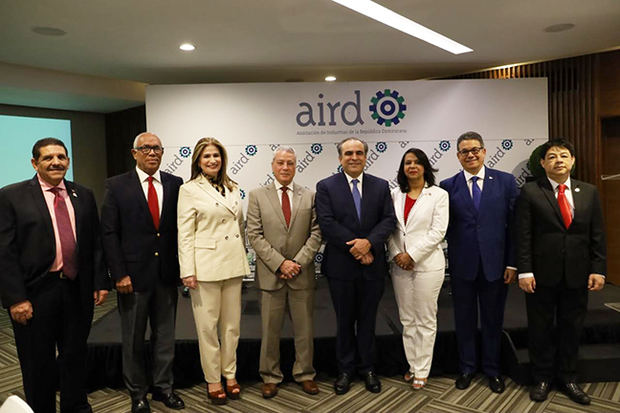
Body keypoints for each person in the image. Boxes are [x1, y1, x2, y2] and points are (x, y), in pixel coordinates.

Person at [0, 138, 109, 413]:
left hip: (76, 290)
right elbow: (5, 252)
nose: (56, 162)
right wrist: (15, 298)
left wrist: (99, 282)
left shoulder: (83, 194)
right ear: (34, 163)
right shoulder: (11, 196)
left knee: (74, 356)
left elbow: (94, 243)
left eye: (61, 157)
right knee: (38, 363)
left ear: (68, 161)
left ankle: (76, 408)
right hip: (35, 294)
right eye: (48, 158)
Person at [516, 138, 606, 405]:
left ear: (572, 161)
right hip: (541, 275)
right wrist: (524, 271)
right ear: (542, 163)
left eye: (564, 155)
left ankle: (568, 378)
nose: (558, 160)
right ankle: (542, 378)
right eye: (552, 156)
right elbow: (523, 236)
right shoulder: (531, 192)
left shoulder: (589, 192)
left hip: (578, 275)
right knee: (540, 328)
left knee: (571, 328)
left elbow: (598, 235)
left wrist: (598, 269)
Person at [101, 132, 185, 413]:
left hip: (165, 275)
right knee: (133, 339)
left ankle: (163, 388)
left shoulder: (175, 184)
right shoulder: (116, 186)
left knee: (165, 337)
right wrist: (119, 274)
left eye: (157, 148)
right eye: (146, 148)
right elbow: (110, 233)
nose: (152, 153)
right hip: (132, 279)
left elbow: (176, 231)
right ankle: (137, 393)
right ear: (134, 153)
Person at [315, 137, 396, 395]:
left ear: (365, 156)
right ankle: (346, 370)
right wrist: (357, 249)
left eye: (359, 152)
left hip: (373, 266)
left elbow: (388, 220)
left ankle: (368, 368)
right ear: (340, 158)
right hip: (341, 267)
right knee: (344, 321)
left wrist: (368, 244)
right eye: (348, 153)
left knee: (369, 320)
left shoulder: (381, 186)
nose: (354, 157)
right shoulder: (326, 186)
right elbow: (327, 223)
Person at [440, 131, 518, 393]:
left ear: (484, 152)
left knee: (493, 320)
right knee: (463, 320)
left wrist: (512, 264)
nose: (471, 154)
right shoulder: (447, 186)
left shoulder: (506, 182)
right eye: (465, 151)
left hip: (496, 266)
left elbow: (514, 228)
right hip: (463, 266)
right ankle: (467, 368)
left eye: (475, 149)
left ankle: (493, 370)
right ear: (458, 156)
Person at [177, 137, 250, 405]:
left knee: (232, 327)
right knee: (207, 328)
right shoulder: (189, 190)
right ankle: (213, 379)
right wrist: (187, 270)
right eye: (206, 156)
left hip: (232, 263)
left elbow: (238, 226)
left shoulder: (233, 187)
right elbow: (184, 233)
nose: (212, 160)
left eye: (216, 156)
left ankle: (230, 374)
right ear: (198, 160)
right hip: (205, 267)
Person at [246, 147, 322, 399]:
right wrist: (280, 263)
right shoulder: (257, 195)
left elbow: (316, 233)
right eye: (281, 163)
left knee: (305, 330)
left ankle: (305, 374)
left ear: (295, 165)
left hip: (301, 274)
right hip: (271, 275)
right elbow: (254, 235)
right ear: (272, 165)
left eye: (290, 163)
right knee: (270, 331)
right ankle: (270, 376)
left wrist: (297, 262)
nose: (285, 167)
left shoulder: (309, 196)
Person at [387, 148, 449, 390]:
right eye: (407, 162)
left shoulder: (438, 195)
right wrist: (397, 255)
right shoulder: (394, 195)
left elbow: (438, 231)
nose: (412, 166)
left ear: (425, 166)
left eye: (416, 162)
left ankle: (423, 370)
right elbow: (390, 229)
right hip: (400, 266)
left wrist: (412, 254)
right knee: (407, 319)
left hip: (427, 265)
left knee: (425, 319)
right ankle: (412, 366)